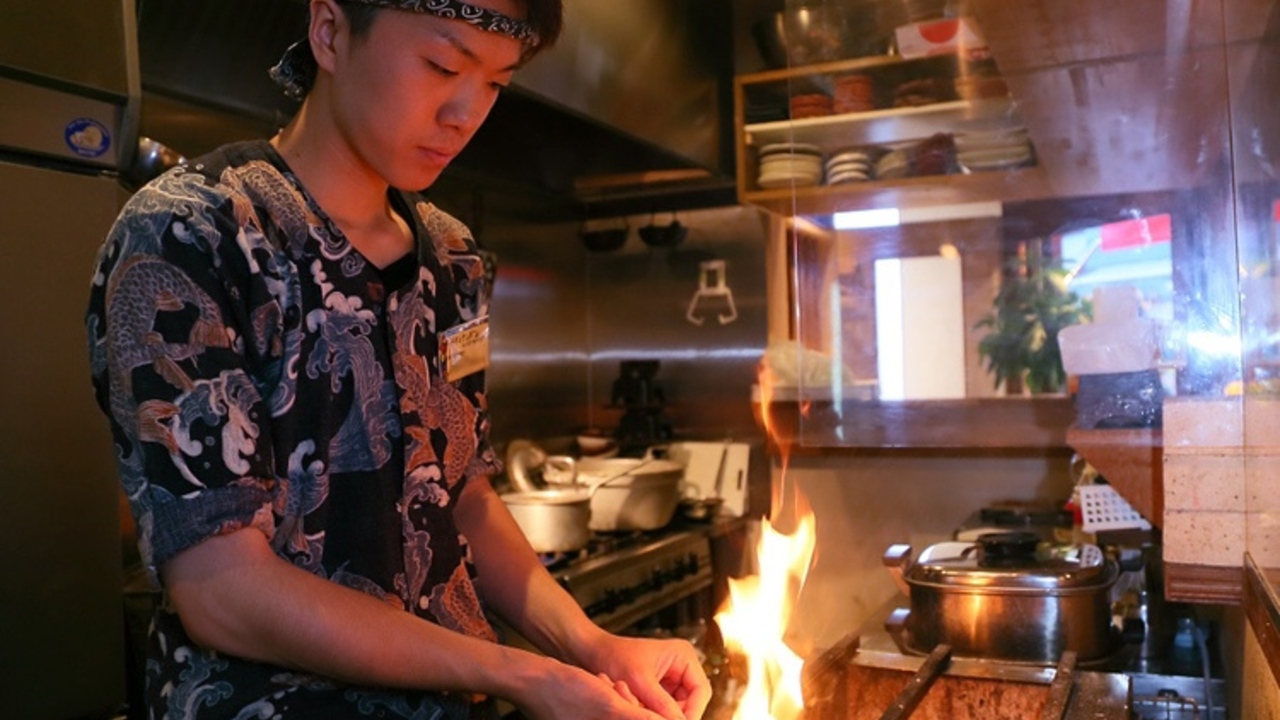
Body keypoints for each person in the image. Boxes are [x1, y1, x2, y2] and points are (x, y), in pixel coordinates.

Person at [85, 1, 712, 718]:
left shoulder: (452, 256)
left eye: (497, 84)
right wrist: (529, 676)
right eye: (442, 66)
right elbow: (223, 592)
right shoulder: (194, 234)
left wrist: (592, 647)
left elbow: (461, 491)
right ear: (330, 31)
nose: (466, 113)